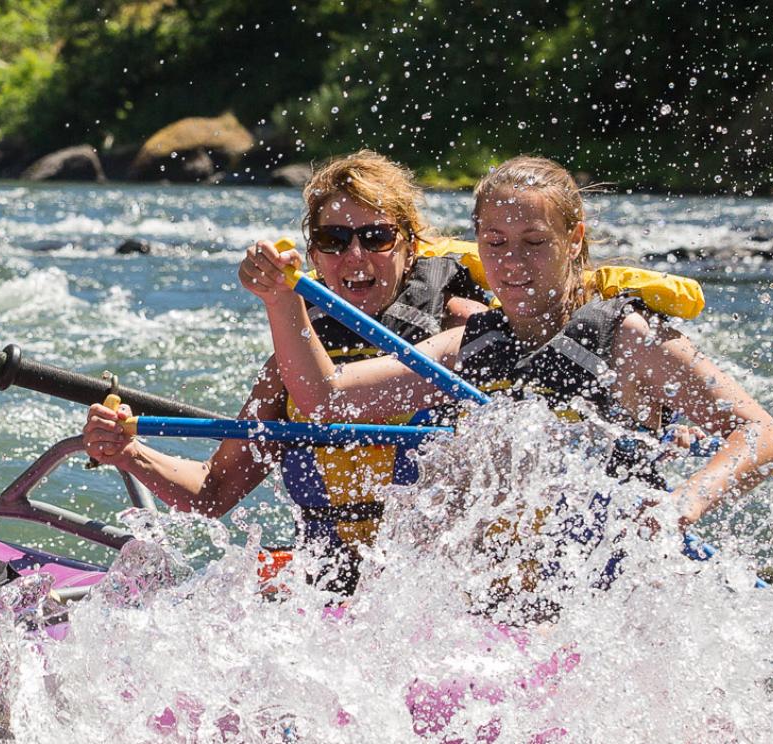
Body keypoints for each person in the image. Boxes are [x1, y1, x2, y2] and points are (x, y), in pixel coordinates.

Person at [242, 155, 773, 548]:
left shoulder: (629, 336)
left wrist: (683, 504)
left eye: (534, 241)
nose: (512, 262)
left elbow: (761, 432)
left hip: (600, 605)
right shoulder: (470, 344)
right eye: (495, 243)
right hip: (500, 610)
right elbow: (327, 401)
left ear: (574, 238)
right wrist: (281, 300)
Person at [82, 151, 493, 592]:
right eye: (334, 240)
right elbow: (212, 491)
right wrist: (128, 451)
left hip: (432, 591)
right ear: (313, 255)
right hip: (328, 591)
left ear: (410, 250)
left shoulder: (465, 328)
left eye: (377, 237)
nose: (355, 256)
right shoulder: (292, 365)